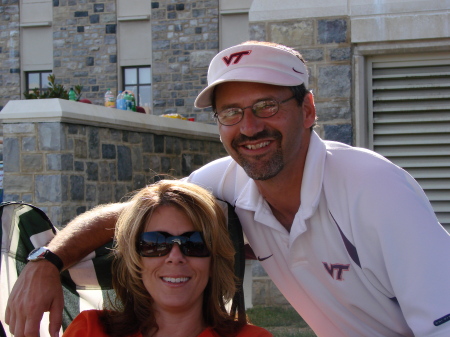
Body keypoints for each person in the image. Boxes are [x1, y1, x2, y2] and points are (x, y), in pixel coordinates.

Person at [5, 41, 450, 337]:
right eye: (231, 113)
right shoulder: (225, 182)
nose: (250, 127)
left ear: (308, 109)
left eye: (267, 105)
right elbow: (135, 216)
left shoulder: (372, 188)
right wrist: (47, 261)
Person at [62, 180, 271, 337]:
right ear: (136, 258)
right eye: (155, 243)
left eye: (194, 243)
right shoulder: (91, 330)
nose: (175, 257)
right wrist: (46, 263)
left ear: (214, 260)